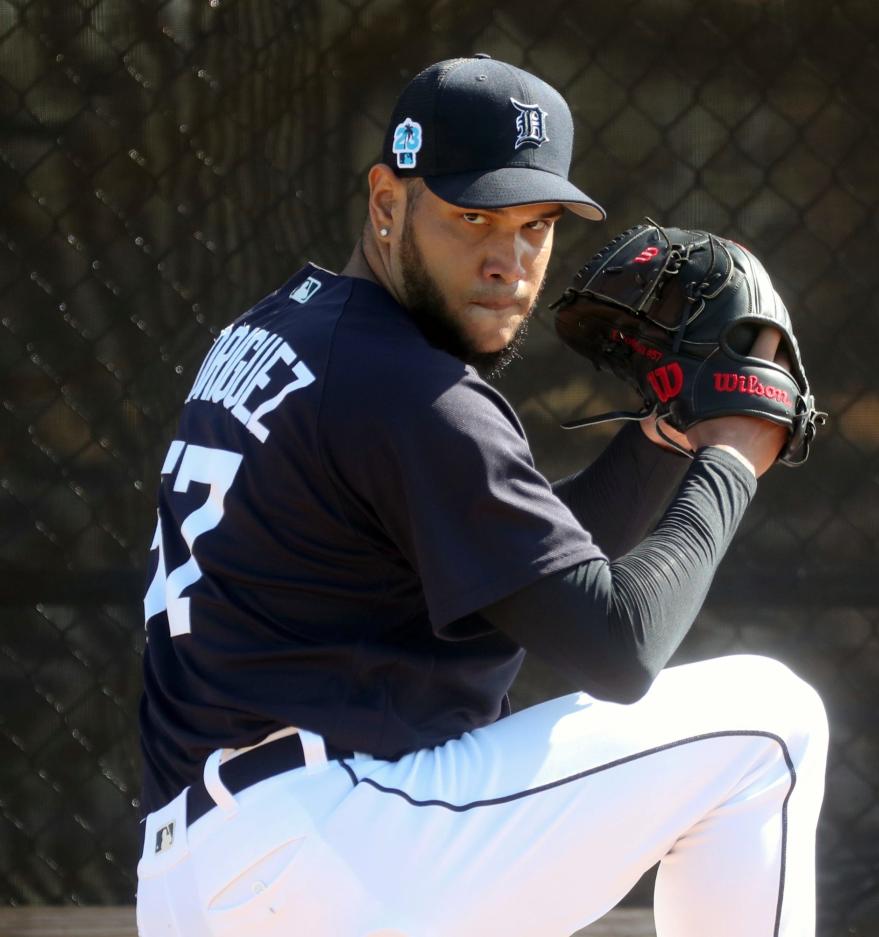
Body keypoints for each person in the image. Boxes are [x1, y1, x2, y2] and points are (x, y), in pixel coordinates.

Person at [135, 55, 828, 937]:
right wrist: (731, 456)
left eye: (535, 226)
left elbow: (534, 576)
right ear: (387, 202)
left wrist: (665, 438)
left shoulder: (281, 331)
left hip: (208, 876)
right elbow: (618, 647)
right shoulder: (411, 390)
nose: (509, 260)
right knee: (771, 725)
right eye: (474, 217)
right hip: (331, 844)